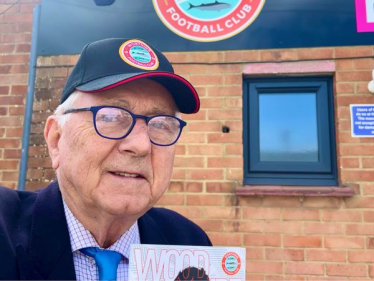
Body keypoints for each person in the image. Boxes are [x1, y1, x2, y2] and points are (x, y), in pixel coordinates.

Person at [0, 38, 212, 281]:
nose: (141, 145)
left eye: (161, 124)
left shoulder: (188, 242)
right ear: (56, 139)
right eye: (111, 117)